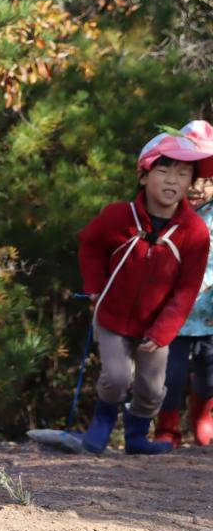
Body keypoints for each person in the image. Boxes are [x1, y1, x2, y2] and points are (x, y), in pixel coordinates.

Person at [76, 122, 213, 454]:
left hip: (157, 324)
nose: (172, 180)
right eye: (163, 171)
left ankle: (137, 436)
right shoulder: (119, 216)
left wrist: (163, 331)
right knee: (116, 377)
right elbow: (90, 244)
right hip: (113, 317)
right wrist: (94, 286)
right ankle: (102, 423)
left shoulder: (195, 232)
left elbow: (187, 289)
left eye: (183, 174)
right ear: (143, 176)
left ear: (191, 183)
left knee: (153, 388)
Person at [156, 173, 213, 446]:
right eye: (192, 180)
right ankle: (167, 426)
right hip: (173, 314)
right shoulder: (165, 213)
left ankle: (201, 415)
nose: (197, 189)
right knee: (172, 376)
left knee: (209, 377)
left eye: (207, 181)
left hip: (208, 313)